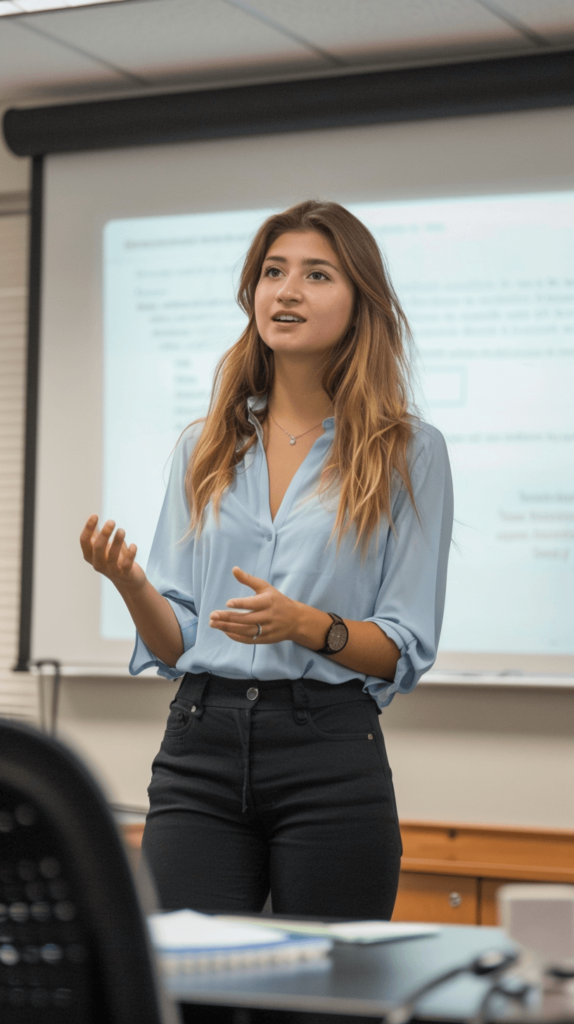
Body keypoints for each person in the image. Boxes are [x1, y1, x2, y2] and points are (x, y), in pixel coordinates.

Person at [80, 200, 453, 920]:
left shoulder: (410, 451)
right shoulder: (206, 445)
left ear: (360, 303)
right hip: (200, 747)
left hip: (330, 751)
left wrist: (309, 625)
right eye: (273, 272)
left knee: (327, 996)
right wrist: (130, 584)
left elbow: (402, 647)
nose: (286, 291)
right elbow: (177, 641)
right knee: (187, 989)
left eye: (317, 275)